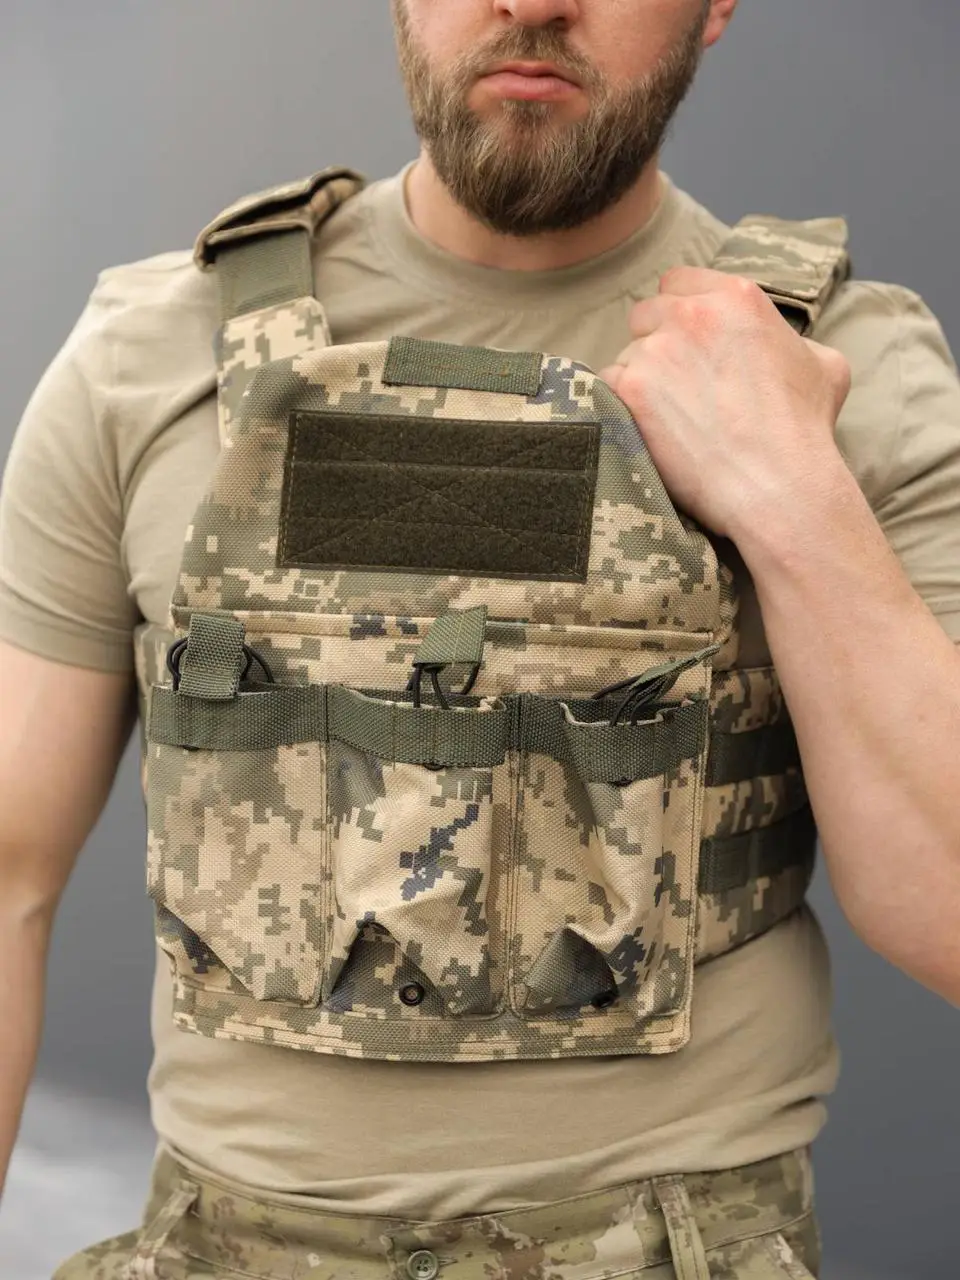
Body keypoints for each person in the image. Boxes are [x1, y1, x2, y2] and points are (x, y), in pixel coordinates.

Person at [1, 1, 959, 1276]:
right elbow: (6, 879)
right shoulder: (145, 352)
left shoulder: (840, 373)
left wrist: (790, 490)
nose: (532, 0)